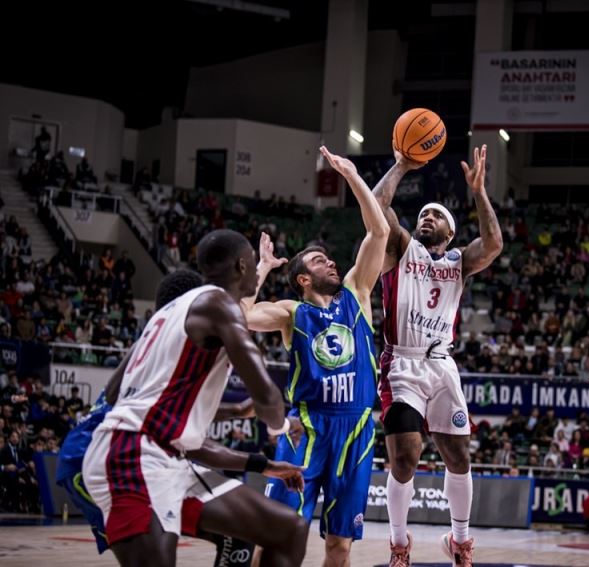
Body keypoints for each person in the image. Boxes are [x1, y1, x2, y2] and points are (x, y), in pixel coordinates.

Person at [82, 231, 309, 567]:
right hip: (130, 455)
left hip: (167, 456)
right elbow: (266, 394)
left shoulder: (169, 313)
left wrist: (264, 465)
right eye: (252, 266)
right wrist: (281, 427)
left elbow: (115, 392)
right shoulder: (218, 304)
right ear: (241, 265)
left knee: (288, 529)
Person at [241, 146, 388, 566]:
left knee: (339, 544)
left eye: (330, 257)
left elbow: (377, 233)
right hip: (307, 428)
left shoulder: (358, 294)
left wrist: (353, 177)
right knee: (278, 536)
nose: (331, 263)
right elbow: (244, 316)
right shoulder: (294, 312)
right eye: (319, 260)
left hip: (357, 428)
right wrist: (264, 267)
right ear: (303, 278)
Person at [372, 144, 502, 567]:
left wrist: (479, 193)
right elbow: (377, 206)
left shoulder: (459, 261)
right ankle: (398, 542)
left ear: (449, 233)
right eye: (424, 214)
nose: (427, 218)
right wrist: (401, 166)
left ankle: (460, 541)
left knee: (459, 457)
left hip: (442, 365)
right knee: (406, 457)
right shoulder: (400, 249)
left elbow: (495, 243)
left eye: (437, 217)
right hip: (402, 364)